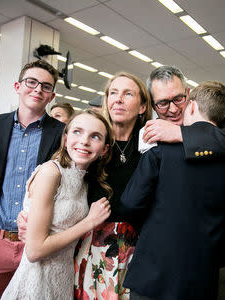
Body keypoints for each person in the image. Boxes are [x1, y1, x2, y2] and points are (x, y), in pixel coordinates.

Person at [120, 81, 225, 300]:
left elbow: (130, 203)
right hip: (203, 268)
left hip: (154, 269)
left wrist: (155, 226)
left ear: (190, 106)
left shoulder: (159, 151)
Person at [0, 60, 65, 300]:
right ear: (18, 86)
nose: (38, 89)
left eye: (46, 86)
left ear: (51, 96)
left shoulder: (61, 133)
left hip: (37, 247)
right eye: (32, 82)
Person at [2, 110, 113, 299]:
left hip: (62, 279)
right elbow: (35, 251)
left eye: (95, 136)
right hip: (35, 282)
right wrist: (89, 222)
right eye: (77, 132)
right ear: (66, 137)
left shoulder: (84, 181)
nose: (84, 141)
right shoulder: (51, 173)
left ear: (104, 149)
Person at [73, 72, 153, 300]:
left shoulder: (153, 146)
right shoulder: (93, 141)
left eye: (128, 94)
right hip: (94, 245)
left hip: (140, 246)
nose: (118, 99)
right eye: (113, 93)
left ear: (141, 106)